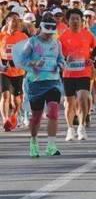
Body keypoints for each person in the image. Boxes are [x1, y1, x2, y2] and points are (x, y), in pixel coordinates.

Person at [16, 15, 65, 157]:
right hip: (36, 83)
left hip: (53, 82)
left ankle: (51, 145)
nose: (49, 34)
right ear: (41, 28)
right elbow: (21, 60)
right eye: (47, 31)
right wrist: (34, 63)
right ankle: (33, 141)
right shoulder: (32, 42)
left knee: (53, 112)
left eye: (51, 32)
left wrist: (60, 65)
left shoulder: (57, 43)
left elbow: (61, 59)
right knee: (36, 116)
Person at [58, 9, 96, 142]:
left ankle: (81, 126)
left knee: (82, 98)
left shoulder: (87, 34)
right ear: (68, 21)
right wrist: (65, 58)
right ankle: (70, 129)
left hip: (84, 72)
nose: (75, 21)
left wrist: (92, 58)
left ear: (81, 21)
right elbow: (57, 54)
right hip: (68, 74)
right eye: (72, 19)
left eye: (77, 19)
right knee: (69, 103)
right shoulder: (62, 37)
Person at [0, 11, 28, 131]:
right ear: (7, 21)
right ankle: (5, 119)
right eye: (14, 20)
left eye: (18, 20)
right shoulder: (1, 36)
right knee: (5, 95)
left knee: (16, 100)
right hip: (4, 71)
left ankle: (14, 115)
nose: (16, 23)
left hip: (18, 72)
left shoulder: (23, 37)